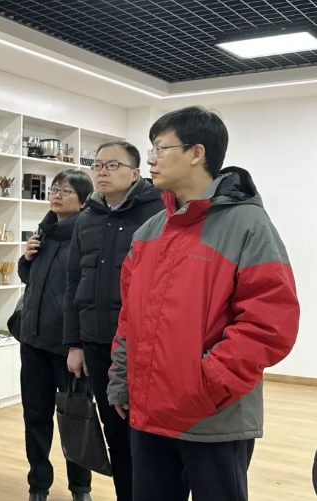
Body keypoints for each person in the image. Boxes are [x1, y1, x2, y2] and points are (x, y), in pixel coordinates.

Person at [107, 106, 300, 501]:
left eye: (161, 148)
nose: (151, 159)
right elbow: (131, 317)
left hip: (213, 416)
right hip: (148, 412)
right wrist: (122, 378)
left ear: (197, 153)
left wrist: (206, 383)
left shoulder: (248, 224)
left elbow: (270, 323)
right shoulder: (149, 232)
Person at [64, 141, 163, 501]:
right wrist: (74, 343)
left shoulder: (158, 213)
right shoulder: (86, 218)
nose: (102, 172)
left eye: (112, 165)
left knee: (149, 437)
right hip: (94, 341)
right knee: (115, 435)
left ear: (135, 173)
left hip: (141, 344)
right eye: (97, 165)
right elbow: (73, 282)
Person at [18, 169, 94, 501]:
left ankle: (80, 486)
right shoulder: (44, 231)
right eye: (54, 189)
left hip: (69, 347)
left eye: (65, 190)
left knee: (76, 416)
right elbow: (31, 279)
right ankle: (38, 485)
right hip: (33, 341)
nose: (56, 195)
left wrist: (79, 344)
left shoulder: (88, 235)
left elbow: (87, 292)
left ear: (83, 200)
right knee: (35, 417)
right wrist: (26, 258)